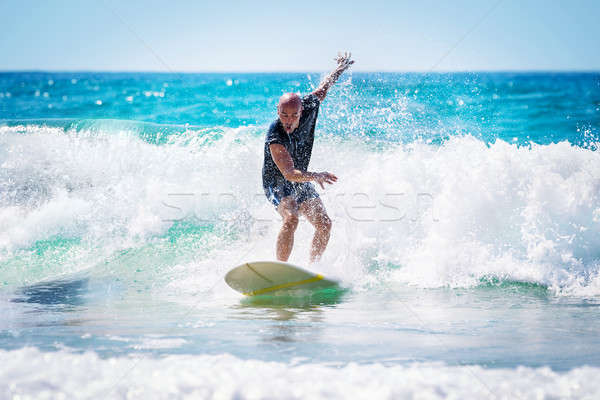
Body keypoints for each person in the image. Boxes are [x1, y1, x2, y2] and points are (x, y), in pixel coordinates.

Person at [262, 52, 354, 263]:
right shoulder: (275, 134)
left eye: (294, 115)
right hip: (277, 183)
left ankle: (312, 269)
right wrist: (317, 175)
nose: (289, 120)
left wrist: (340, 68)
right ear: (278, 111)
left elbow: (323, 88)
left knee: (324, 224)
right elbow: (289, 174)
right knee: (291, 218)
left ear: (302, 111)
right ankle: (280, 268)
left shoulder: (309, 105)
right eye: (284, 114)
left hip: (301, 180)